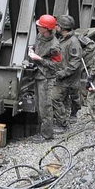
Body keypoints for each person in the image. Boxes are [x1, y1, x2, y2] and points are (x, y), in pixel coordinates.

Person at [27, 15, 61, 143]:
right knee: (38, 104)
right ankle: (42, 129)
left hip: (47, 78)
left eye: (40, 26)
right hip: (38, 75)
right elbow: (37, 47)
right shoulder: (40, 36)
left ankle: (47, 135)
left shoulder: (54, 46)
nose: (37, 26)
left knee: (45, 106)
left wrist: (39, 59)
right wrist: (32, 50)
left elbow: (56, 65)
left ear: (46, 29)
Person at [50, 15, 82, 132]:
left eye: (57, 25)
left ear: (62, 27)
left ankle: (62, 124)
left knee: (55, 98)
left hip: (66, 78)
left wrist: (63, 73)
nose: (56, 27)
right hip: (63, 76)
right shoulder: (63, 39)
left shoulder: (72, 42)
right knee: (62, 99)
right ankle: (65, 119)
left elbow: (76, 60)